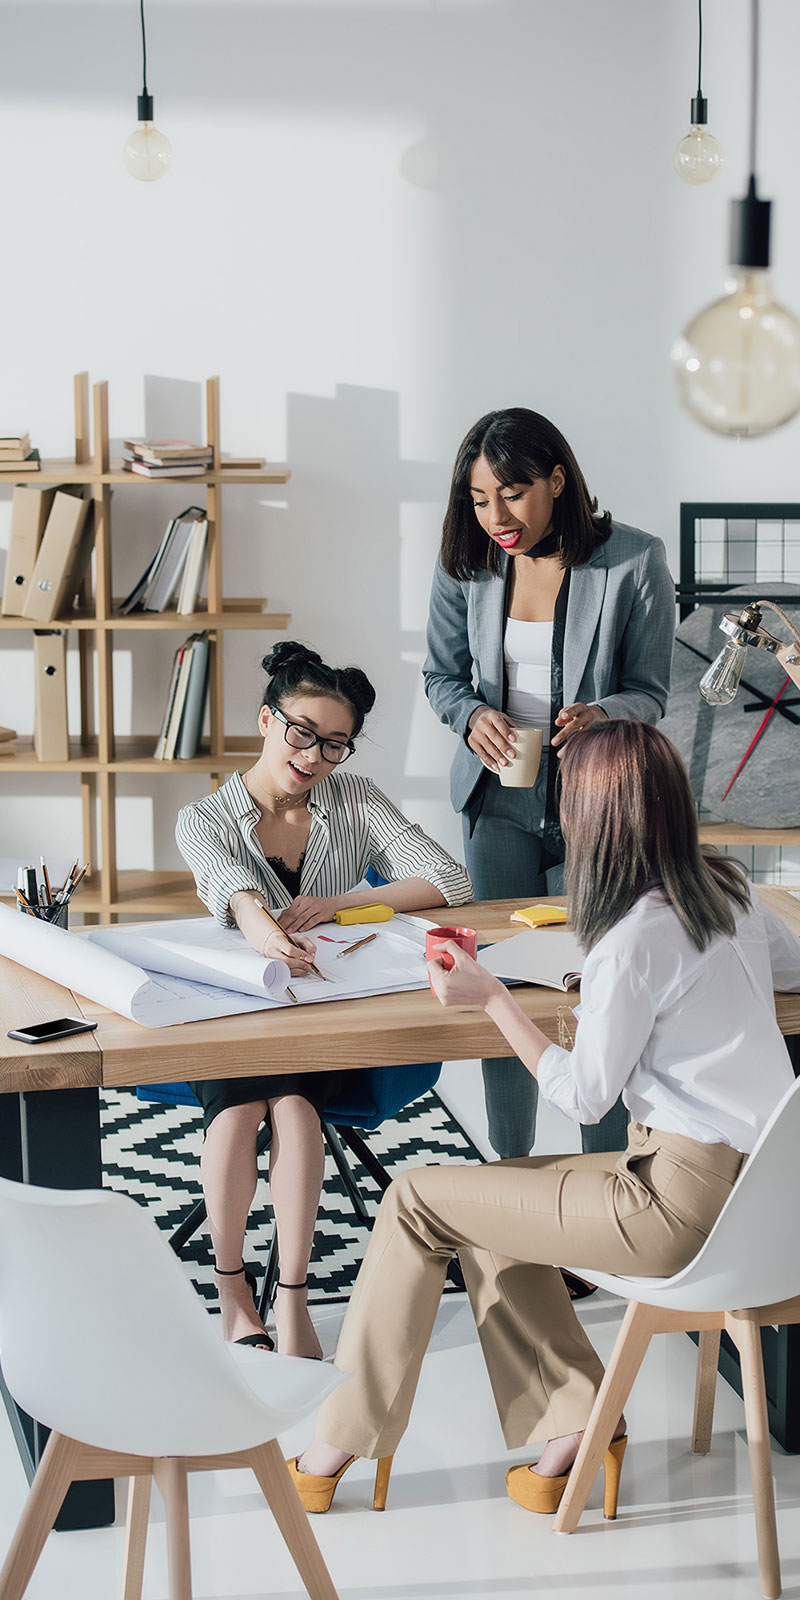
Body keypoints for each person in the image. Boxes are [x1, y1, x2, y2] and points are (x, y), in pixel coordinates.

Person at [289, 721, 800, 1513]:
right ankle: (574, 1430)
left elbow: (585, 1098)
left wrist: (493, 998)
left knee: (417, 1199)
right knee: (490, 1201)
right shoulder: (727, 891)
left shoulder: (631, 940)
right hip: (762, 1196)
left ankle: (335, 1445)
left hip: (676, 1207)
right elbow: (790, 969)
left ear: (598, 817)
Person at [176, 641, 472, 1359]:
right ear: (266, 720)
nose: (312, 756)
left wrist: (341, 903)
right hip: (240, 1017)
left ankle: (292, 1297)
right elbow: (232, 891)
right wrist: (262, 927)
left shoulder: (355, 799)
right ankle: (234, 1292)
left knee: (297, 1107)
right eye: (301, 732)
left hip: (328, 1018)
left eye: (333, 745)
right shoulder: (204, 816)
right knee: (249, 1106)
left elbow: (449, 882)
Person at [423, 407, 675, 1162]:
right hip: (496, 804)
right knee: (500, 982)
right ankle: (515, 1171)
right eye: (478, 498)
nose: (495, 515)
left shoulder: (633, 560)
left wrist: (604, 713)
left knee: (593, 988)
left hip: (596, 807)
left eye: (514, 493)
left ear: (558, 480)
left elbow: (652, 693)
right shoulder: (467, 564)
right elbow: (440, 677)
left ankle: (604, 1173)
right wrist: (472, 718)